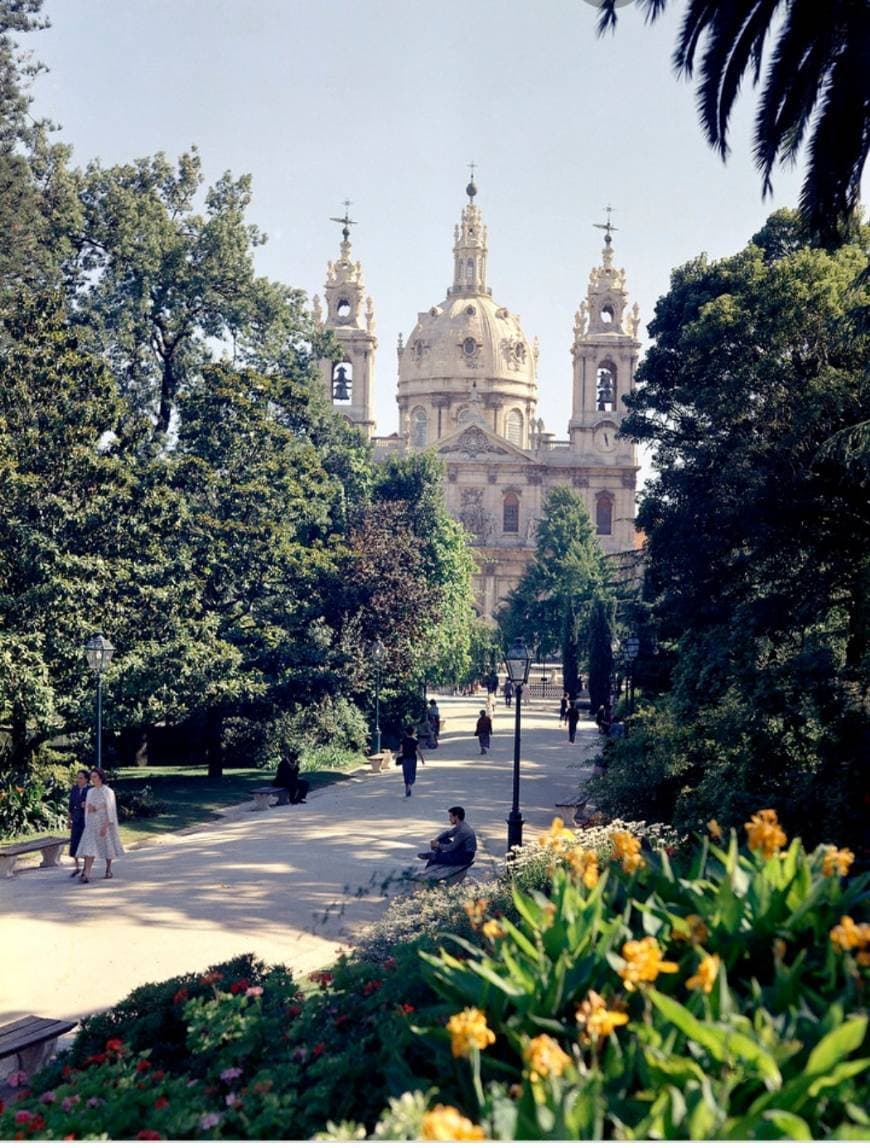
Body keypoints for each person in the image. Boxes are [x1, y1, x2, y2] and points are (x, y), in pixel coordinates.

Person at [76, 767, 124, 883]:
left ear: (100, 777)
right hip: (92, 824)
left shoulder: (108, 792)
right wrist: (87, 807)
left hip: (104, 822)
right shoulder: (90, 791)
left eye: (95, 776)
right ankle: (86, 873)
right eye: (91, 777)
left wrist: (105, 826)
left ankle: (108, 869)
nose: (92, 779)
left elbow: (111, 810)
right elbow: (89, 807)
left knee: (107, 847)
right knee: (89, 848)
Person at [67, 768, 90, 878]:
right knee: (74, 843)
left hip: (85, 820)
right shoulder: (74, 789)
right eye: (78, 778)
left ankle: (86, 869)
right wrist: (69, 819)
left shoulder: (90, 790)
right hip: (76, 819)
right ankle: (77, 867)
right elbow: (71, 805)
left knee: (85, 844)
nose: (78, 780)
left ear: (86, 779)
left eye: (81, 778)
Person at [399, 726, 424, 797]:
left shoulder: (403, 740)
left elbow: (400, 750)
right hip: (413, 758)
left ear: (406, 733)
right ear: (413, 732)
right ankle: (410, 785)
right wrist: (422, 759)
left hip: (405, 759)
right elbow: (419, 751)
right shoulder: (415, 740)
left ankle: (407, 787)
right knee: (412, 773)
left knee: (406, 773)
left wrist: (398, 756)